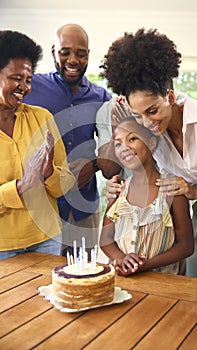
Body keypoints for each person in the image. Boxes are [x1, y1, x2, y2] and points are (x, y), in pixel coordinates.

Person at [99, 28, 197, 277]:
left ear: (171, 96)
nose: (148, 123)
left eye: (152, 111)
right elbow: (124, 154)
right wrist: (117, 126)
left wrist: (192, 190)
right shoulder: (151, 133)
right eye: (139, 115)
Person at [24, 23, 111, 256]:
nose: (73, 59)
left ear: (88, 56)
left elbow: (114, 148)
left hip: (84, 208)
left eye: (80, 54)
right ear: (54, 51)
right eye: (66, 52)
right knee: (42, 280)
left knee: (86, 276)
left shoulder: (101, 96)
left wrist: (92, 165)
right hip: (43, 208)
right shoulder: (31, 87)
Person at [0, 30, 75, 261]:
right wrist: (22, 186)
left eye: (28, 80)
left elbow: (66, 182)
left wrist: (49, 172)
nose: (24, 86)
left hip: (47, 238)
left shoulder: (42, 118)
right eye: (16, 78)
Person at [100, 117, 194, 275]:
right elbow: (105, 239)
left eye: (132, 139)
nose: (124, 147)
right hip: (121, 281)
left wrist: (144, 265)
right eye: (118, 143)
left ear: (151, 143)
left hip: (163, 285)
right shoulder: (119, 190)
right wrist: (121, 259)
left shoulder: (171, 190)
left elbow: (186, 245)